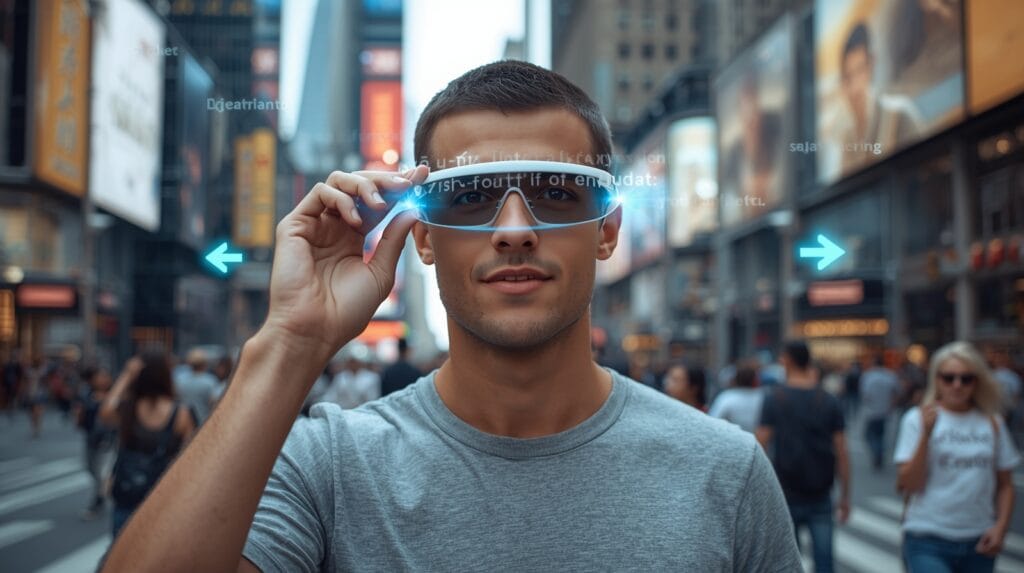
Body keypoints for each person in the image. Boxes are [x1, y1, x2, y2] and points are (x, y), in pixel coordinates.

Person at [101, 60, 802, 572]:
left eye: (558, 192)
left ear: (608, 230)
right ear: (424, 235)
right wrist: (290, 342)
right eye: (471, 195)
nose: (516, 229)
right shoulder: (330, 465)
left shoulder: (726, 471)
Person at [895, 341, 1020, 572]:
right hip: (927, 537)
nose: (957, 385)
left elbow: (1006, 485)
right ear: (937, 379)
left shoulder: (992, 422)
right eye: (949, 377)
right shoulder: (917, 419)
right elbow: (908, 484)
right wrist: (926, 435)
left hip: (978, 539)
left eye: (966, 378)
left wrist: (1000, 528)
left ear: (977, 381)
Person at [757, 340, 851, 573]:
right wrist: (845, 495)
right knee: (825, 562)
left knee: (787, 565)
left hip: (785, 491)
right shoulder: (829, 400)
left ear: (788, 360)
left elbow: (760, 448)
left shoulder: (774, 398)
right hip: (821, 492)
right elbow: (842, 452)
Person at [100, 353, 196, 537]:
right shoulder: (181, 413)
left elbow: (105, 413)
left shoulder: (129, 408)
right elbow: (190, 458)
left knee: (121, 558)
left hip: (128, 491)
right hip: (165, 496)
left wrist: (126, 375)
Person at [837, 22, 923, 174]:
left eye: (860, 70)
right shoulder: (848, 140)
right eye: (848, 77)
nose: (854, 87)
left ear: (871, 65)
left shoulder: (899, 113)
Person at [75, 366, 118, 520]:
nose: (102, 380)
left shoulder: (114, 394)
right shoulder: (87, 394)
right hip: (91, 437)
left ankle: (98, 501)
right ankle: (106, 490)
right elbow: (81, 412)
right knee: (90, 468)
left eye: (105, 376)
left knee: (101, 472)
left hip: (108, 439)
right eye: (99, 376)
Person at [861, 354, 901, 470]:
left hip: (872, 411)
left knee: (870, 435)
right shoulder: (890, 375)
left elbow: (865, 394)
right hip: (885, 410)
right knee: (881, 434)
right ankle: (879, 452)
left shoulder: (868, 376)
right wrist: (891, 404)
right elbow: (897, 391)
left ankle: (877, 452)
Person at [708, 364, 764, 433]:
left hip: (732, 438)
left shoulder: (727, 396)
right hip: (759, 440)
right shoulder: (763, 396)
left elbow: (714, 419)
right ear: (755, 380)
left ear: (735, 380)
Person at [173, 348, 219, 426]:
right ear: (204, 364)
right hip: (204, 424)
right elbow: (214, 404)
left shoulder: (180, 380)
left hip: (184, 424)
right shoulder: (210, 381)